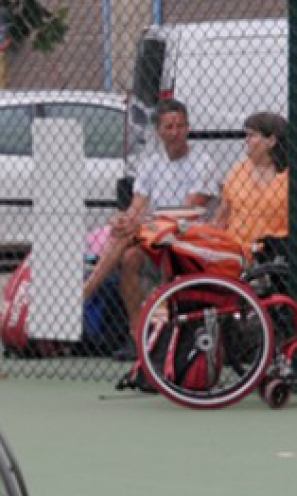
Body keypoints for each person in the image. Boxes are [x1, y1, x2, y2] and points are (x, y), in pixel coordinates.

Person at [83, 98, 218, 361]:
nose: (175, 132)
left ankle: (86, 292)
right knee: (128, 255)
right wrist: (123, 219)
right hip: (156, 237)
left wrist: (141, 221)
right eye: (169, 127)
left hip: (188, 241)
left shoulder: (203, 162)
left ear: (188, 128)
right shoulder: (151, 163)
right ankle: (138, 336)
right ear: (159, 131)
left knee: (130, 235)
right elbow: (137, 206)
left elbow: (189, 212)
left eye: (180, 126)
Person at [214, 111, 297, 252]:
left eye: (252, 135)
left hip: (279, 254)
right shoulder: (237, 171)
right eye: (246, 135)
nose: (246, 140)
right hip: (238, 252)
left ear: (271, 141)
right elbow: (222, 216)